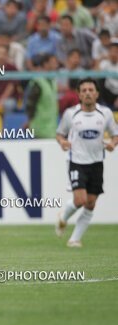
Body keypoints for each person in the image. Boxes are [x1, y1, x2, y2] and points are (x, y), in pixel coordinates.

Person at [55, 78, 118, 247]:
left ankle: (74, 239)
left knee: (90, 203)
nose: (88, 93)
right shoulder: (71, 114)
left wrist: (112, 144)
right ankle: (63, 217)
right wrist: (62, 143)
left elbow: (115, 134)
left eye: (91, 90)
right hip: (77, 161)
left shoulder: (105, 113)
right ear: (79, 95)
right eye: (84, 91)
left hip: (97, 163)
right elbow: (60, 134)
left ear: (97, 94)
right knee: (80, 200)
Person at [25, 54, 59, 138]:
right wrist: (30, 121)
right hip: (40, 127)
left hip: (52, 126)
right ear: (46, 64)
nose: (56, 65)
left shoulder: (53, 81)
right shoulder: (38, 82)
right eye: (53, 62)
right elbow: (30, 104)